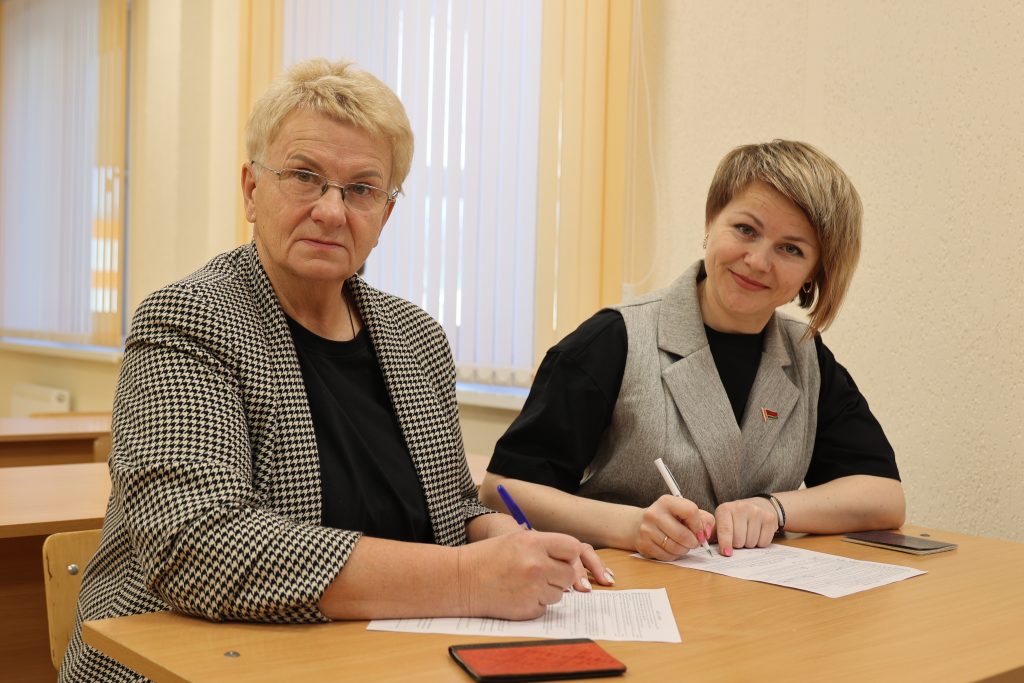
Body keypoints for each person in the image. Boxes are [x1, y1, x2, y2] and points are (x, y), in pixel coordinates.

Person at [62, 59, 609, 681]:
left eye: (362, 189)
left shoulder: (417, 338)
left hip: (381, 660)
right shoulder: (189, 320)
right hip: (192, 663)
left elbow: (450, 508)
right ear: (251, 189)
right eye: (304, 176)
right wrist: (467, 577)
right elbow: (196, 546)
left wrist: (500, 536)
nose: (331, 210)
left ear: (386, 214)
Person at [482, 140, 905, 561]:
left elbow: (884, 497)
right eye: (746, 230)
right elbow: (502, 490)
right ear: (710, 223)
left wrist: (773, 508)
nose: (758, 261)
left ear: (814, 273)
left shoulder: (807, 358)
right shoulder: (614, 338)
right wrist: (631, 525)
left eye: (791, 249)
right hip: (624, 588)